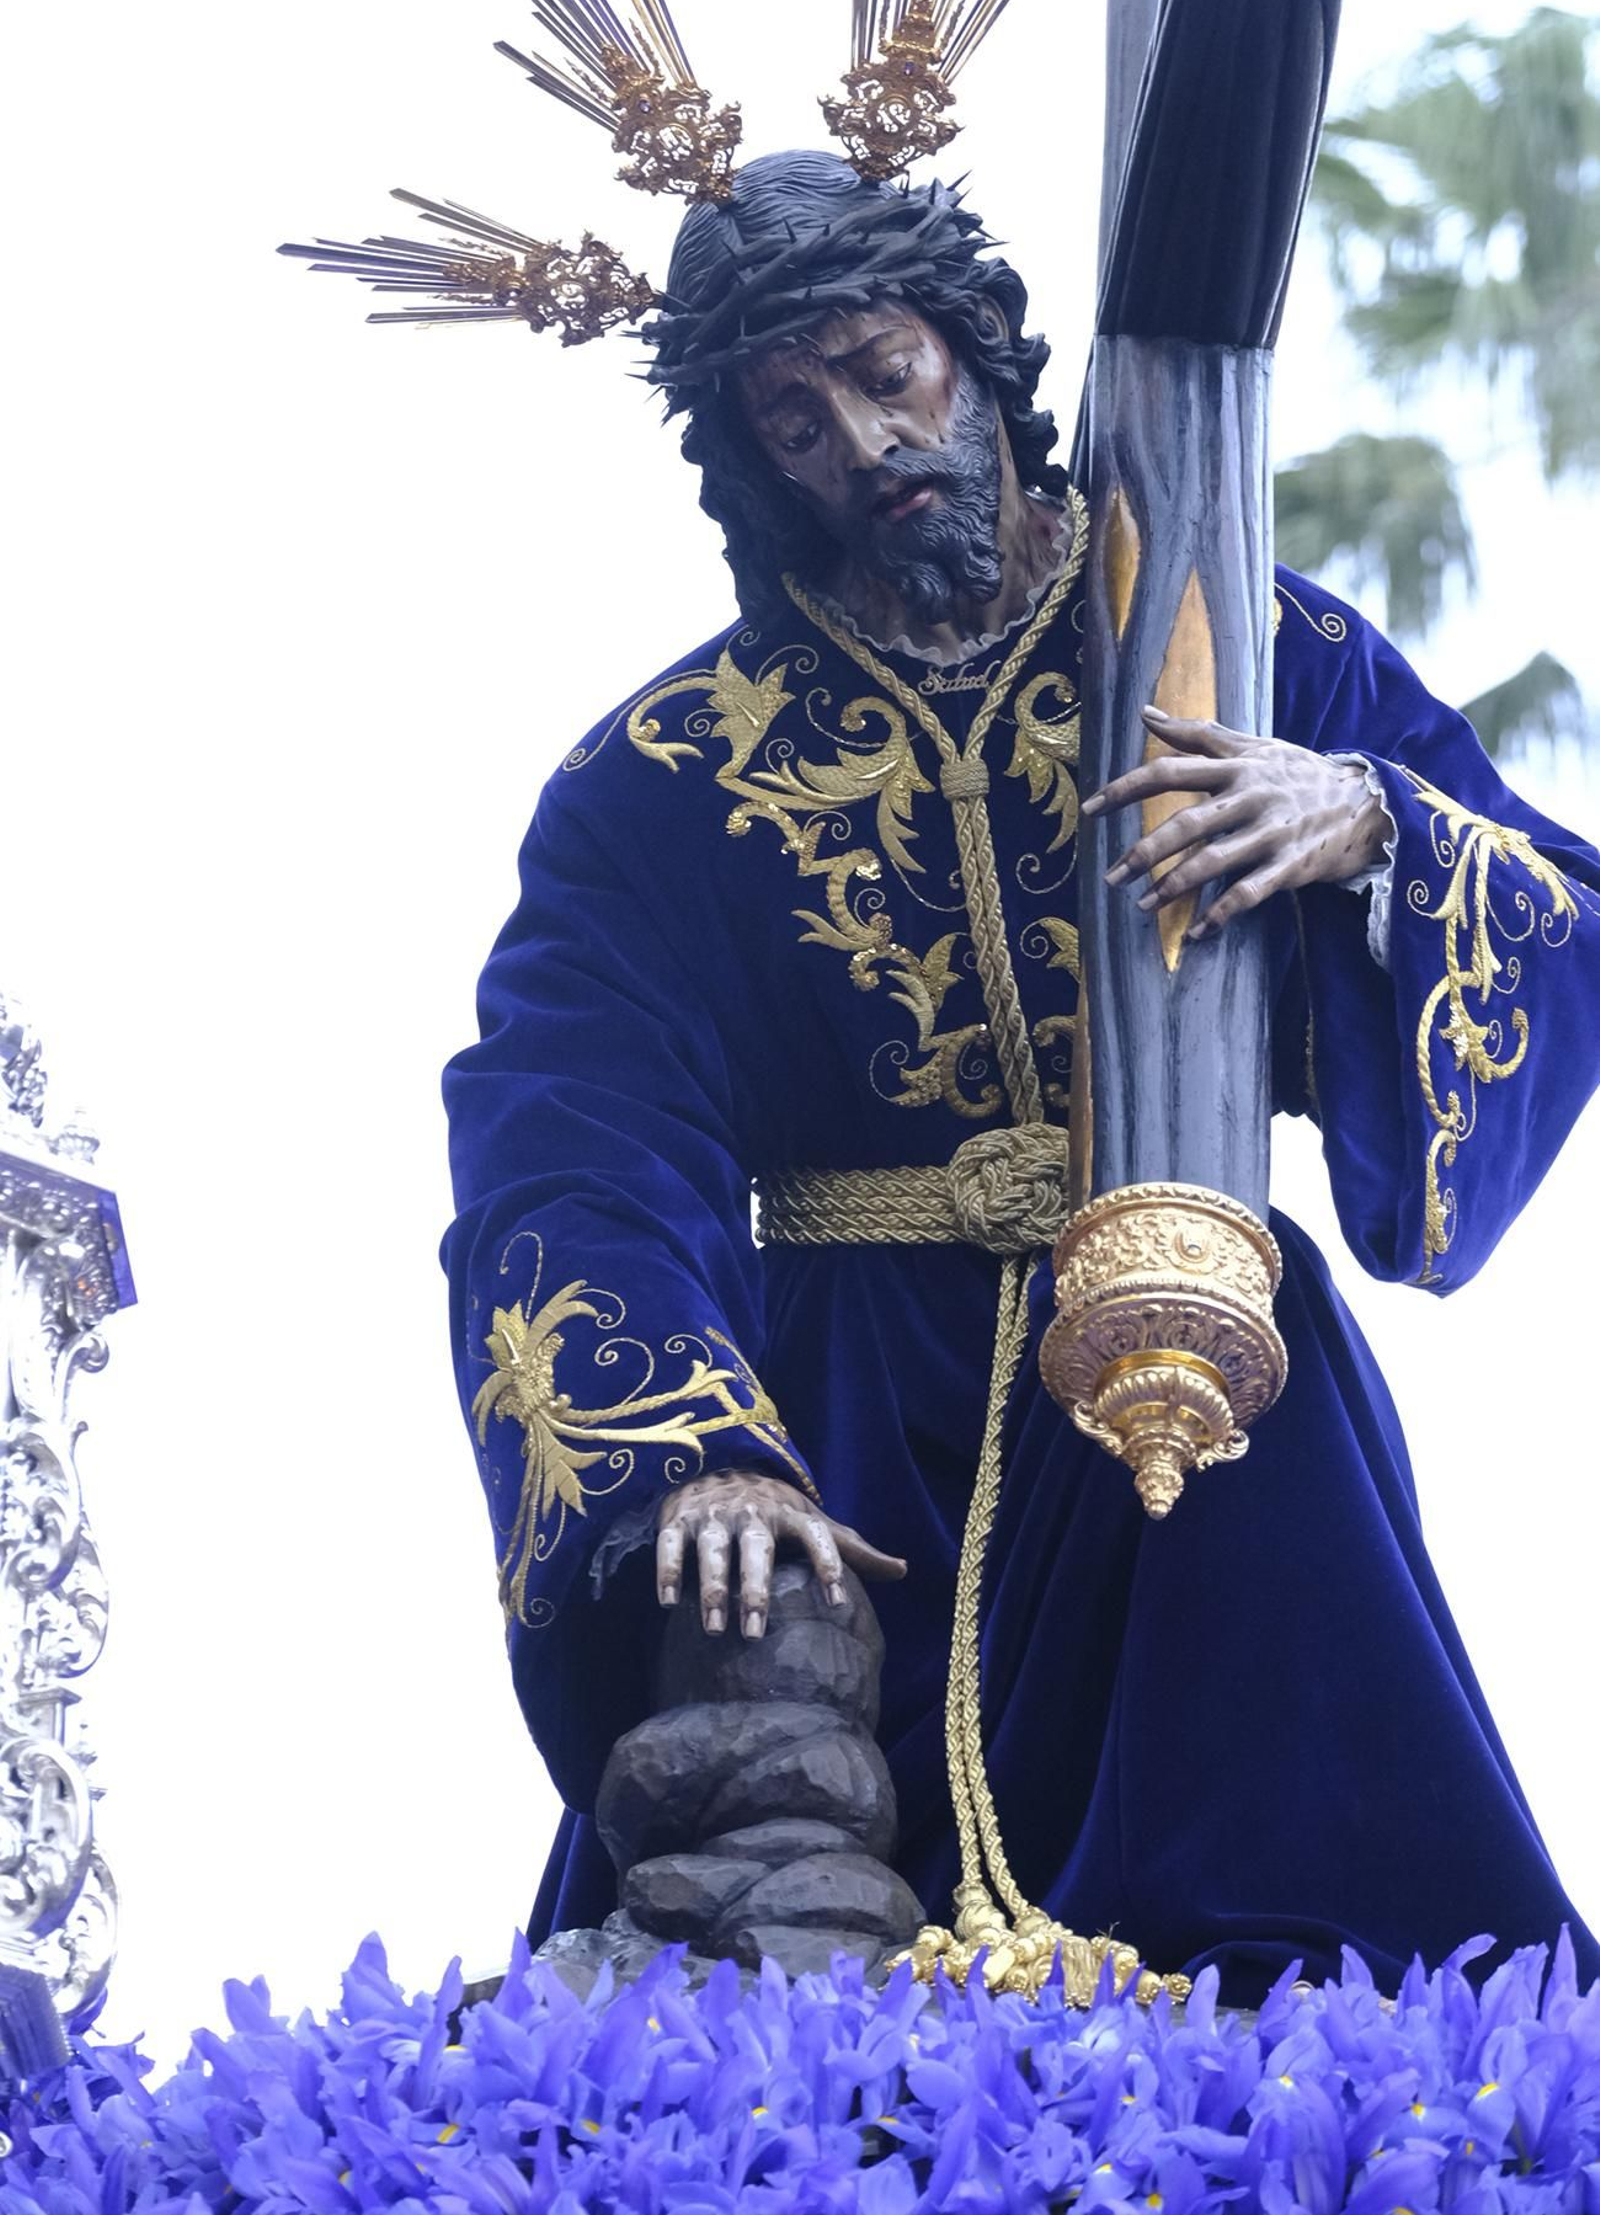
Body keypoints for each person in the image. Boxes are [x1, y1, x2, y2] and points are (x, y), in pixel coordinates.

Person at [441, 132, 1600, 2004]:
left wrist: (1368, 823)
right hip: (838, 1420)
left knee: (1349, 1958)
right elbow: (564, 1131)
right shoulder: (655, 781)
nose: (864, 447)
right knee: (753, 1970)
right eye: (796, 423)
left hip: (1193, 1338)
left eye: (883, 375)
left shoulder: (1245, 635)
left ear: (973, 350)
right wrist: (690, 1452)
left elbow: (1562, 902)